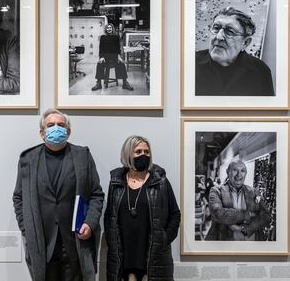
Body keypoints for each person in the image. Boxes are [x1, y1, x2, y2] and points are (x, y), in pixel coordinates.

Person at [13, 108, 104, 281]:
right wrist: (27, 228)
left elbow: (96, 194)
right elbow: (19, 197)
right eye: (51, 125)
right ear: (42, 133)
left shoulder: (82, 156)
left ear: (68, 132)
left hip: (74, 243)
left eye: (61, 125)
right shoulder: (28, 160)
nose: (56, 128)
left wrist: (90, 223)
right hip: (42, 243)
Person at [104, 135, 180, 281]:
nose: (143, 155)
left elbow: (175, 214)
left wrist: (164, 239)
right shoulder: (116, 182)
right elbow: (109, 215)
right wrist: (111, 238)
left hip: (153, 256)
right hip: (123, 256)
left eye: (146, 151)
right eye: (138, 152)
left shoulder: (160, 182)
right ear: (128, 154)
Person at [196, 6, 274, 96]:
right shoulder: (192, 63)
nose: (219, 36)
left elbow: (266, 109)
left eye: (230, 31)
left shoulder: (260, 71)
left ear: (245, 43)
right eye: (216, 28)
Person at [206, 160, 271, 241]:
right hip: (224, 243)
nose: (239, 175)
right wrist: (249, 214)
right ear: (227, 172)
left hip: (250, 244)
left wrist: (245, 228)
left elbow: (267, 216)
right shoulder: (216, 191)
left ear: (246, 173)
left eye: (242, 171)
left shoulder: (254, 191)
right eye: (235, 170)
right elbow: (218, 213)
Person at [91, 23, 134, 91]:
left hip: (114, 56)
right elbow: (101, 48)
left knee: (122, 64)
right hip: (105, 56)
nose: (109, 29)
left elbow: (118, 48)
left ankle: (125, 83)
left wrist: (119, 57)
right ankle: (98, 83)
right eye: (108, 28)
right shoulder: (102, 37)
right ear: (106, 29)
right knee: (99, 64)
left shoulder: (116, 37)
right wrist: (101, 57)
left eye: (110, 28)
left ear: (112, 29)